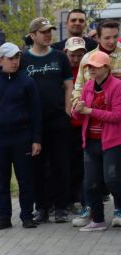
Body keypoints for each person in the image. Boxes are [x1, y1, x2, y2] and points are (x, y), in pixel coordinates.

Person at [0, 42, 42, 230]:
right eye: (11, 58)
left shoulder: (27, 82)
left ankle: (27, 216)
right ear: (0, 60)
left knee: (25, 179)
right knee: (2, 180)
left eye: (17, 58)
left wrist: (36, 139)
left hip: (22, 136)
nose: (15, 62)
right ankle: (4, 216)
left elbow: (36, 112)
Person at [21, 17, 73, 224]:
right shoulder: (24, 60)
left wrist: (68, 109)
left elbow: (69, 85)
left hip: (58, 119)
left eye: (49, 31)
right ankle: (42, 207)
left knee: (61, 164)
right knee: (38, 165)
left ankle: (61, 207)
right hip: (34, 123)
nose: (48, 35)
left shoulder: (60, 57)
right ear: (32, 35)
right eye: (43, 32)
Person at [73, 51, 121, 231]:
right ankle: (98, 220)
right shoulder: (87, 87)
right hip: (91, 141)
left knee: (112, 180)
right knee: (91, 183)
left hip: (112, 141)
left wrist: (90, 111)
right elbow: (79, 116)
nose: (91, 70)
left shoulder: (117, 86)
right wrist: (77, 110)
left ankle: (119, 210)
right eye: (89, 67)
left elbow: (117, 116)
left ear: (107, 68)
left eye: (96, 66)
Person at [64, 37, 91, 226]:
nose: (76, 58)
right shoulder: (61, 70)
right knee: (67, 166)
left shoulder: (88, 70)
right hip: (65, 127)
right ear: (66, 53)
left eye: (80, 54)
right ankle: (67, 200)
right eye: (73, 54)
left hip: (83, 126)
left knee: (84, 168)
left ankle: (85, 202)